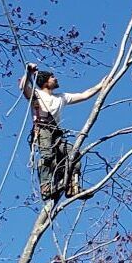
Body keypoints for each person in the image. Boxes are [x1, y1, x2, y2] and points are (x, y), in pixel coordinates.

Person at [19, 64, 101, 204]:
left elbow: (84, 95)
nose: (55, 78)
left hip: (56, 133)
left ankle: (72, 186)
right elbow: (23, 88)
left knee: (73, 153)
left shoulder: (61, 97)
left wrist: (103, 83)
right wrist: (28, 72)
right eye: (52, 77)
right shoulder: (37, 95)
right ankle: (46, 187)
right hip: (43, 129)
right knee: (48, 156)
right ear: (45, 81)